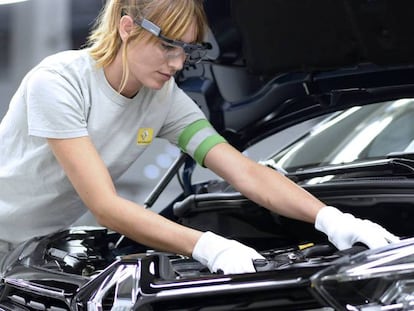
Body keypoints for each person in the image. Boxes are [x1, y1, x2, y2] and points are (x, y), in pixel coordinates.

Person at [0, 0, 399, 274]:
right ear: (127, 27)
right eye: (167, 46)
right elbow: (104, 205)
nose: (177, 64)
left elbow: (241, 170)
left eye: (187, 52)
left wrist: (331, 218)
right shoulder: (58, 83)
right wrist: (207, 246)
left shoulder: (164, 101)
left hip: (34, 244)